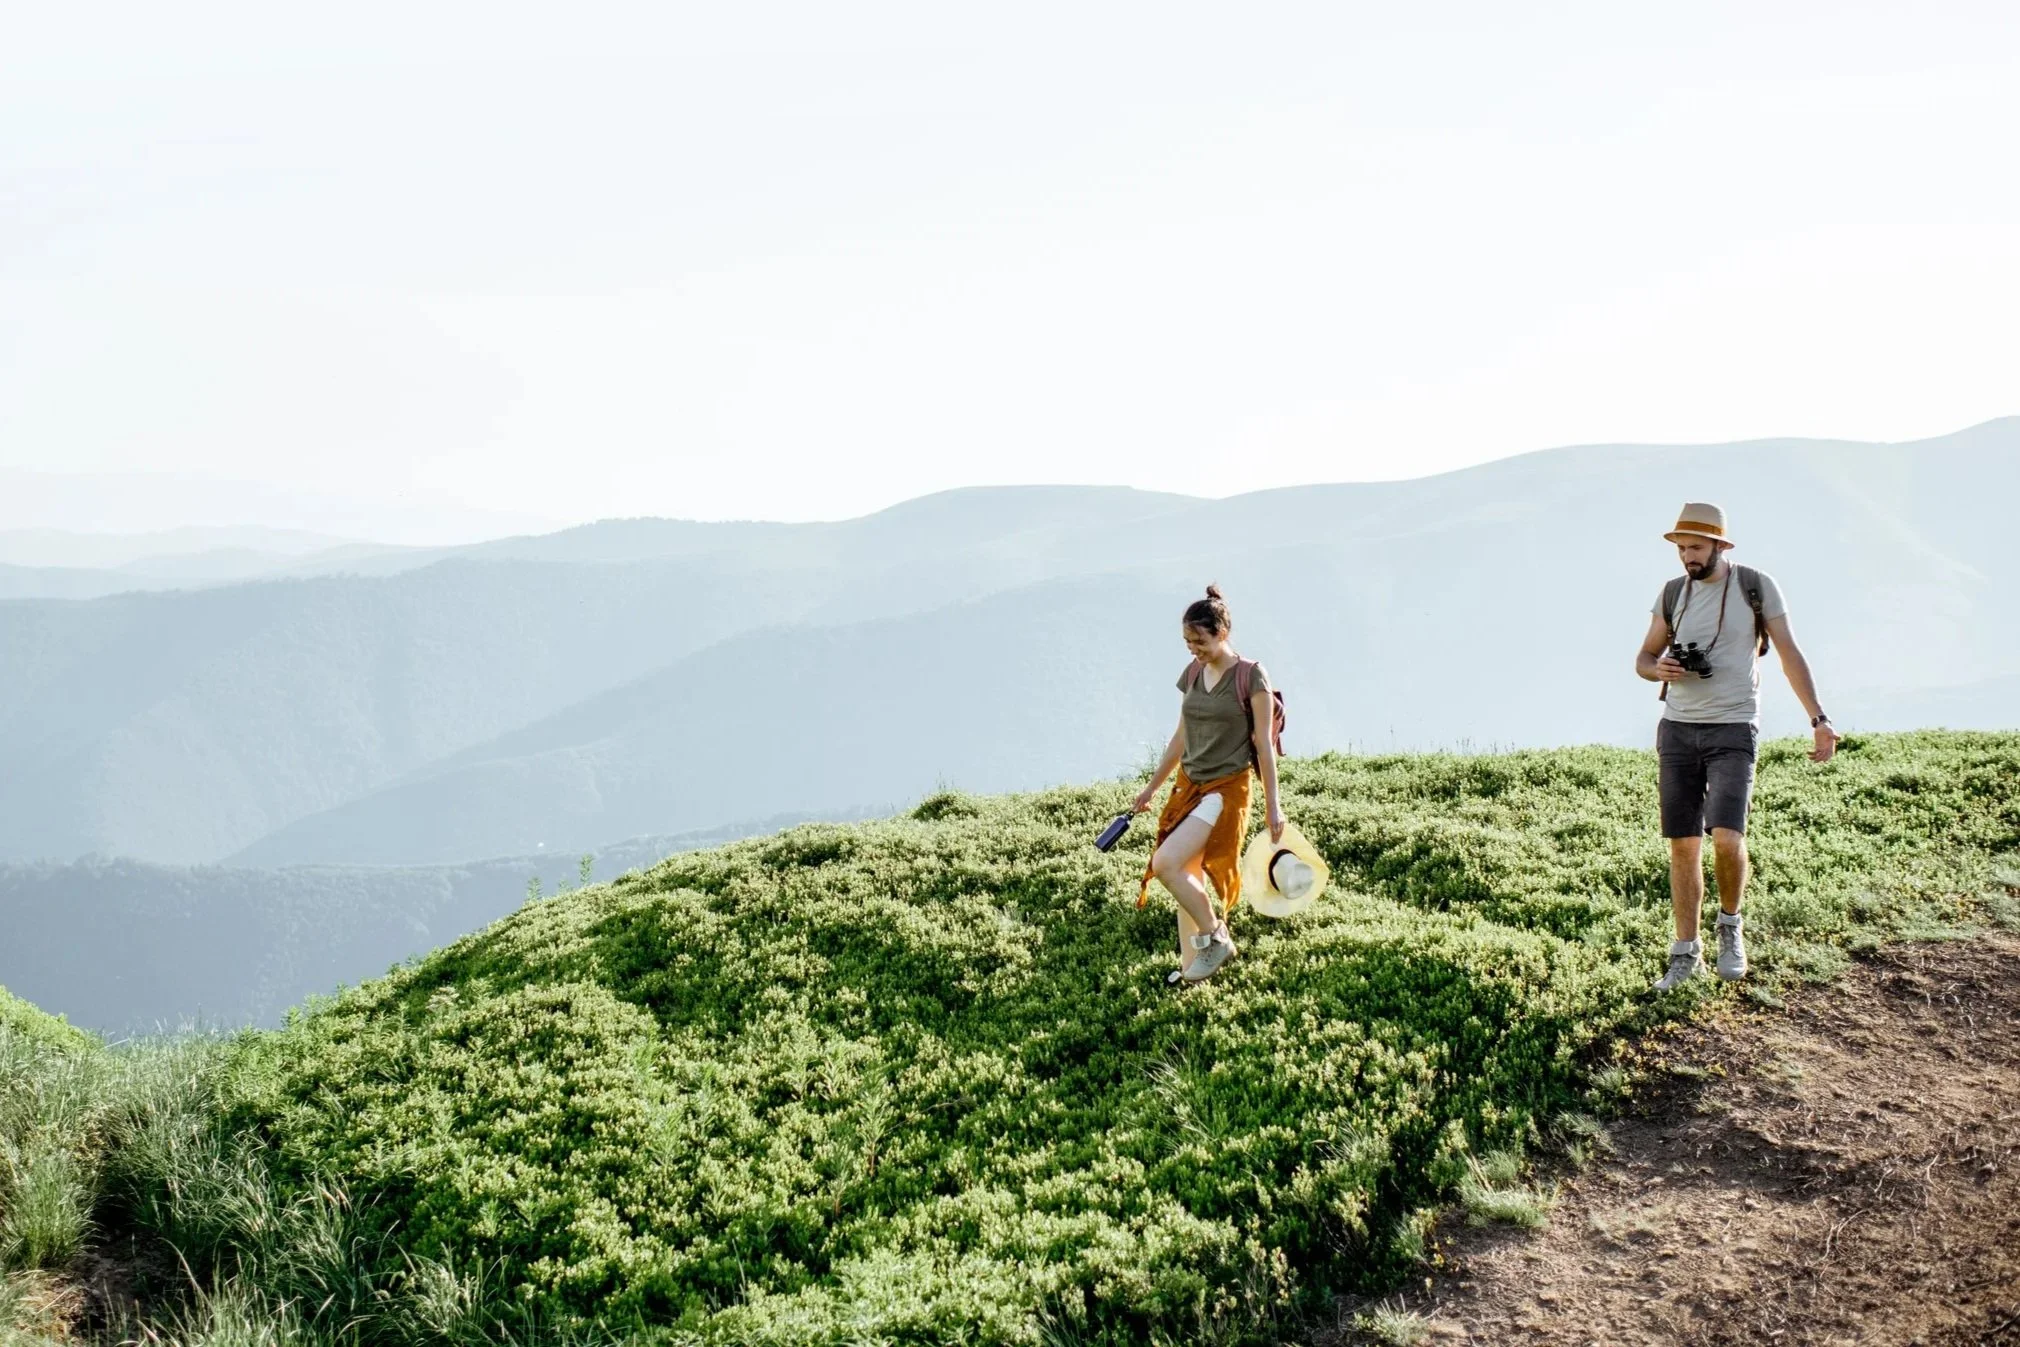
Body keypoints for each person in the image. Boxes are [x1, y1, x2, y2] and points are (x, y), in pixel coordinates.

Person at [1634, 502, 1838, 991]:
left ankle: (1730, 925)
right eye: (1681, 548)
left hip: (1733, 728)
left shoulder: (1754, 586)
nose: (1687, 556)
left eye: (1696, 547)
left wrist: (1819, 718)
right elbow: (1643, 657)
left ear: (1720, 546)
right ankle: (1686, 954)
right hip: (1678, 729)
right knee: (1683, 846)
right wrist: (1655, 669)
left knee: (1726, 837)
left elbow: (1789, 652)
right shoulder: (1671, 594)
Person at [1130, 585, 1286, 984]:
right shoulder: (1194, 672)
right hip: (1190, 785)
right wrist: (1150, 788)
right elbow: (1181, 736)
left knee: (1165, 863)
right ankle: (1191, 973)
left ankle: (1217, 937)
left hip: (1225, 789)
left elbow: (1264, 748)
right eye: (1186, 641)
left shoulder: (1251, 676)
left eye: (1199, 640)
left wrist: (1274, 806)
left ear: (1222, 632)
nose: (1193, 649)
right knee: (1185, 871)